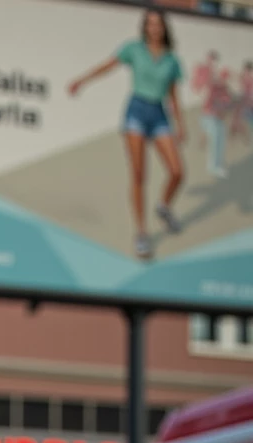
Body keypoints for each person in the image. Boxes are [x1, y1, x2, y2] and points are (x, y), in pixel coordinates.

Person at [68, 7, 186, 261]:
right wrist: (82, 80)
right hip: (137, 112)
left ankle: (164, 206)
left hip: (159, 114)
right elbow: (108, 66)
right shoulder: (134, 49)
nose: (154, 28)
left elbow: (173, 94)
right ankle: (141, 233)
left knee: (177, 171)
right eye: (150, 24)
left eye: (158, 24)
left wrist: (180, 124)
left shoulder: (171, 60)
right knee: (139, 174)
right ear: (145, 27)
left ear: (164, 28)